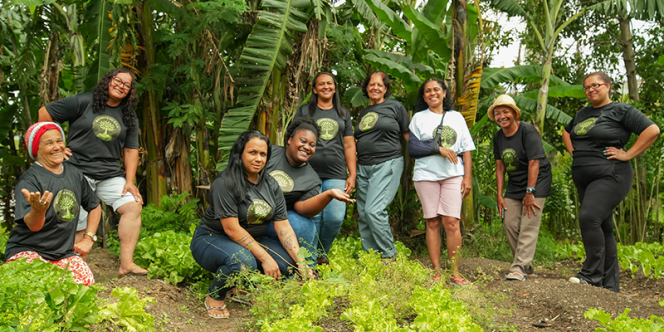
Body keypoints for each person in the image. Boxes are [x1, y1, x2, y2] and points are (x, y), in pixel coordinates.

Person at [190, 130, 314, 319]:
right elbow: (231, 229)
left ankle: (243, 288)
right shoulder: (225, 183)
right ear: (240, 153)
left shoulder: (271, 185)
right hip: (212, 239)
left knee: (289, 264)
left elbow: (283, 226)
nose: (258, 159)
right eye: (253, 152)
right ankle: (215, 297)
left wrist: (302, 262)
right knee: (243, 262)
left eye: (263, 154)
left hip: (253, 240)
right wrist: (265, 258)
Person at [38, 68, 146, 278]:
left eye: (127, 84)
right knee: (78, 217)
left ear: (130, 91)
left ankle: (127, 264)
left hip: (109, 173)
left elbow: (131, 149)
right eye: (118, 80)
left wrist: (130, 181)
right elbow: (44, 113)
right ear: (108, 80)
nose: (121, 85)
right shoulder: (84, 101)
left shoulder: (128, 114)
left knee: (133, 205)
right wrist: (58, 144)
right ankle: (78, 274)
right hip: (77, 170)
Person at [562, 72, 659, 292]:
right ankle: (609, 284)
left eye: (595, 85)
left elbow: (652, 130)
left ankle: (591, 275)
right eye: (586, 87)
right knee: (603, 227)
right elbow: (567, 132)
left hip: (611, 173)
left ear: (607, 86)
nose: (590, 90)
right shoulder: (582, 113)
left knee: (589, 217)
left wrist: (628, 154)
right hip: (583, 175)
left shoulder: (621, 110)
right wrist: (574, 153)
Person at [5, 122, 101, 286]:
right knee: (39, 288)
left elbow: (94, 206)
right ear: (36, 149)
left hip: (61, 254)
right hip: (27, 251)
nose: (56, 147)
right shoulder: (29, 181)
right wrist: (38, 211)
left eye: (59, 141)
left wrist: (88, 238)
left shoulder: (74, 173)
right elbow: (34, 226)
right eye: (49, 143)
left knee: (85, 284)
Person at [407, 78, 474, 286]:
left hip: (453, 174)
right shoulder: (418, 118)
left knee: (452, 222)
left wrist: (467, 176)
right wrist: (439, 149)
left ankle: (455, 271)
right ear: (424, 96)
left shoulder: (456, 117)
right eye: (427, 91)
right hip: (425, 176)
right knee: (432, 222)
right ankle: (436, 271)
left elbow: (466, 149)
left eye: (436, 89)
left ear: (445, 93)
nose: (432, 93)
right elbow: (413, 149)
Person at [265, 116, 355, 259]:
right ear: (290, 140)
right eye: (303, 141)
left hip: (276, 221)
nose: (307, 147)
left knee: (306, 226)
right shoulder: (269, 154)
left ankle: (308, 266)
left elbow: (302, 208)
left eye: (312, 145)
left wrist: (328, 194)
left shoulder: (312, 179)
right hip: (249, 214)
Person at [293, 72, 356, 265]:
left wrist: (352, 173)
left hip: (336, 171)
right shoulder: (305, 111)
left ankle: (321, 252)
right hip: (307, 171)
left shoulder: (343, 114)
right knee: (314, 215)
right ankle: (311, 260)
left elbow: (349, 145)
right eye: (321, 84)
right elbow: (294, 139)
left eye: (329, 83)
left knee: (335, 217)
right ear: (314, 89)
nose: (326, 86)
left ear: (335, 88)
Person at [490, 94, 552, 282]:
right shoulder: (498, 137)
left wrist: (530, 192)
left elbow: (535, 162)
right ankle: (526, 265)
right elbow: (500, 167)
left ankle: (518, 268)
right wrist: (499, 195)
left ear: (514, 113)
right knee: (509, 223)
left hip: (537, 181)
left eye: (505, 112)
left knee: (528, 224)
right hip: (515, 183)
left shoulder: (527, 131)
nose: (502, 116)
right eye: (497, 113)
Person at [354, 71, 410, 261]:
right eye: (372, 84)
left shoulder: (395, 107)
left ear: (386, 89)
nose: (375, 88)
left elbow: (408, 137)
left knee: (373, 210)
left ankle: (389, 254)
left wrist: (425, 158)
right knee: (363, 213)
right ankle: (371, 256)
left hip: (387, 163)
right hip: (363, 166)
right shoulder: (363, 113)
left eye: (380, 85)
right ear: (366, 88)